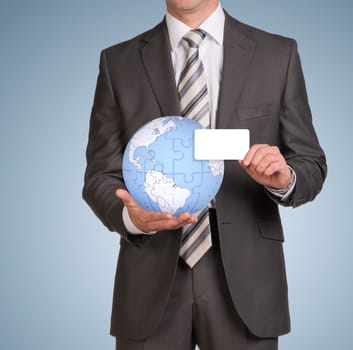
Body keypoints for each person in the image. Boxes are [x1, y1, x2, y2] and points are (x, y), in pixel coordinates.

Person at [83, 1, 327, 349]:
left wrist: (285, 178)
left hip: (247, 280)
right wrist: (131, 218)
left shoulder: (277, 55)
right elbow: (99, 175)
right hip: (149, 278)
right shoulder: (118, 62)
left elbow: (310, 163)